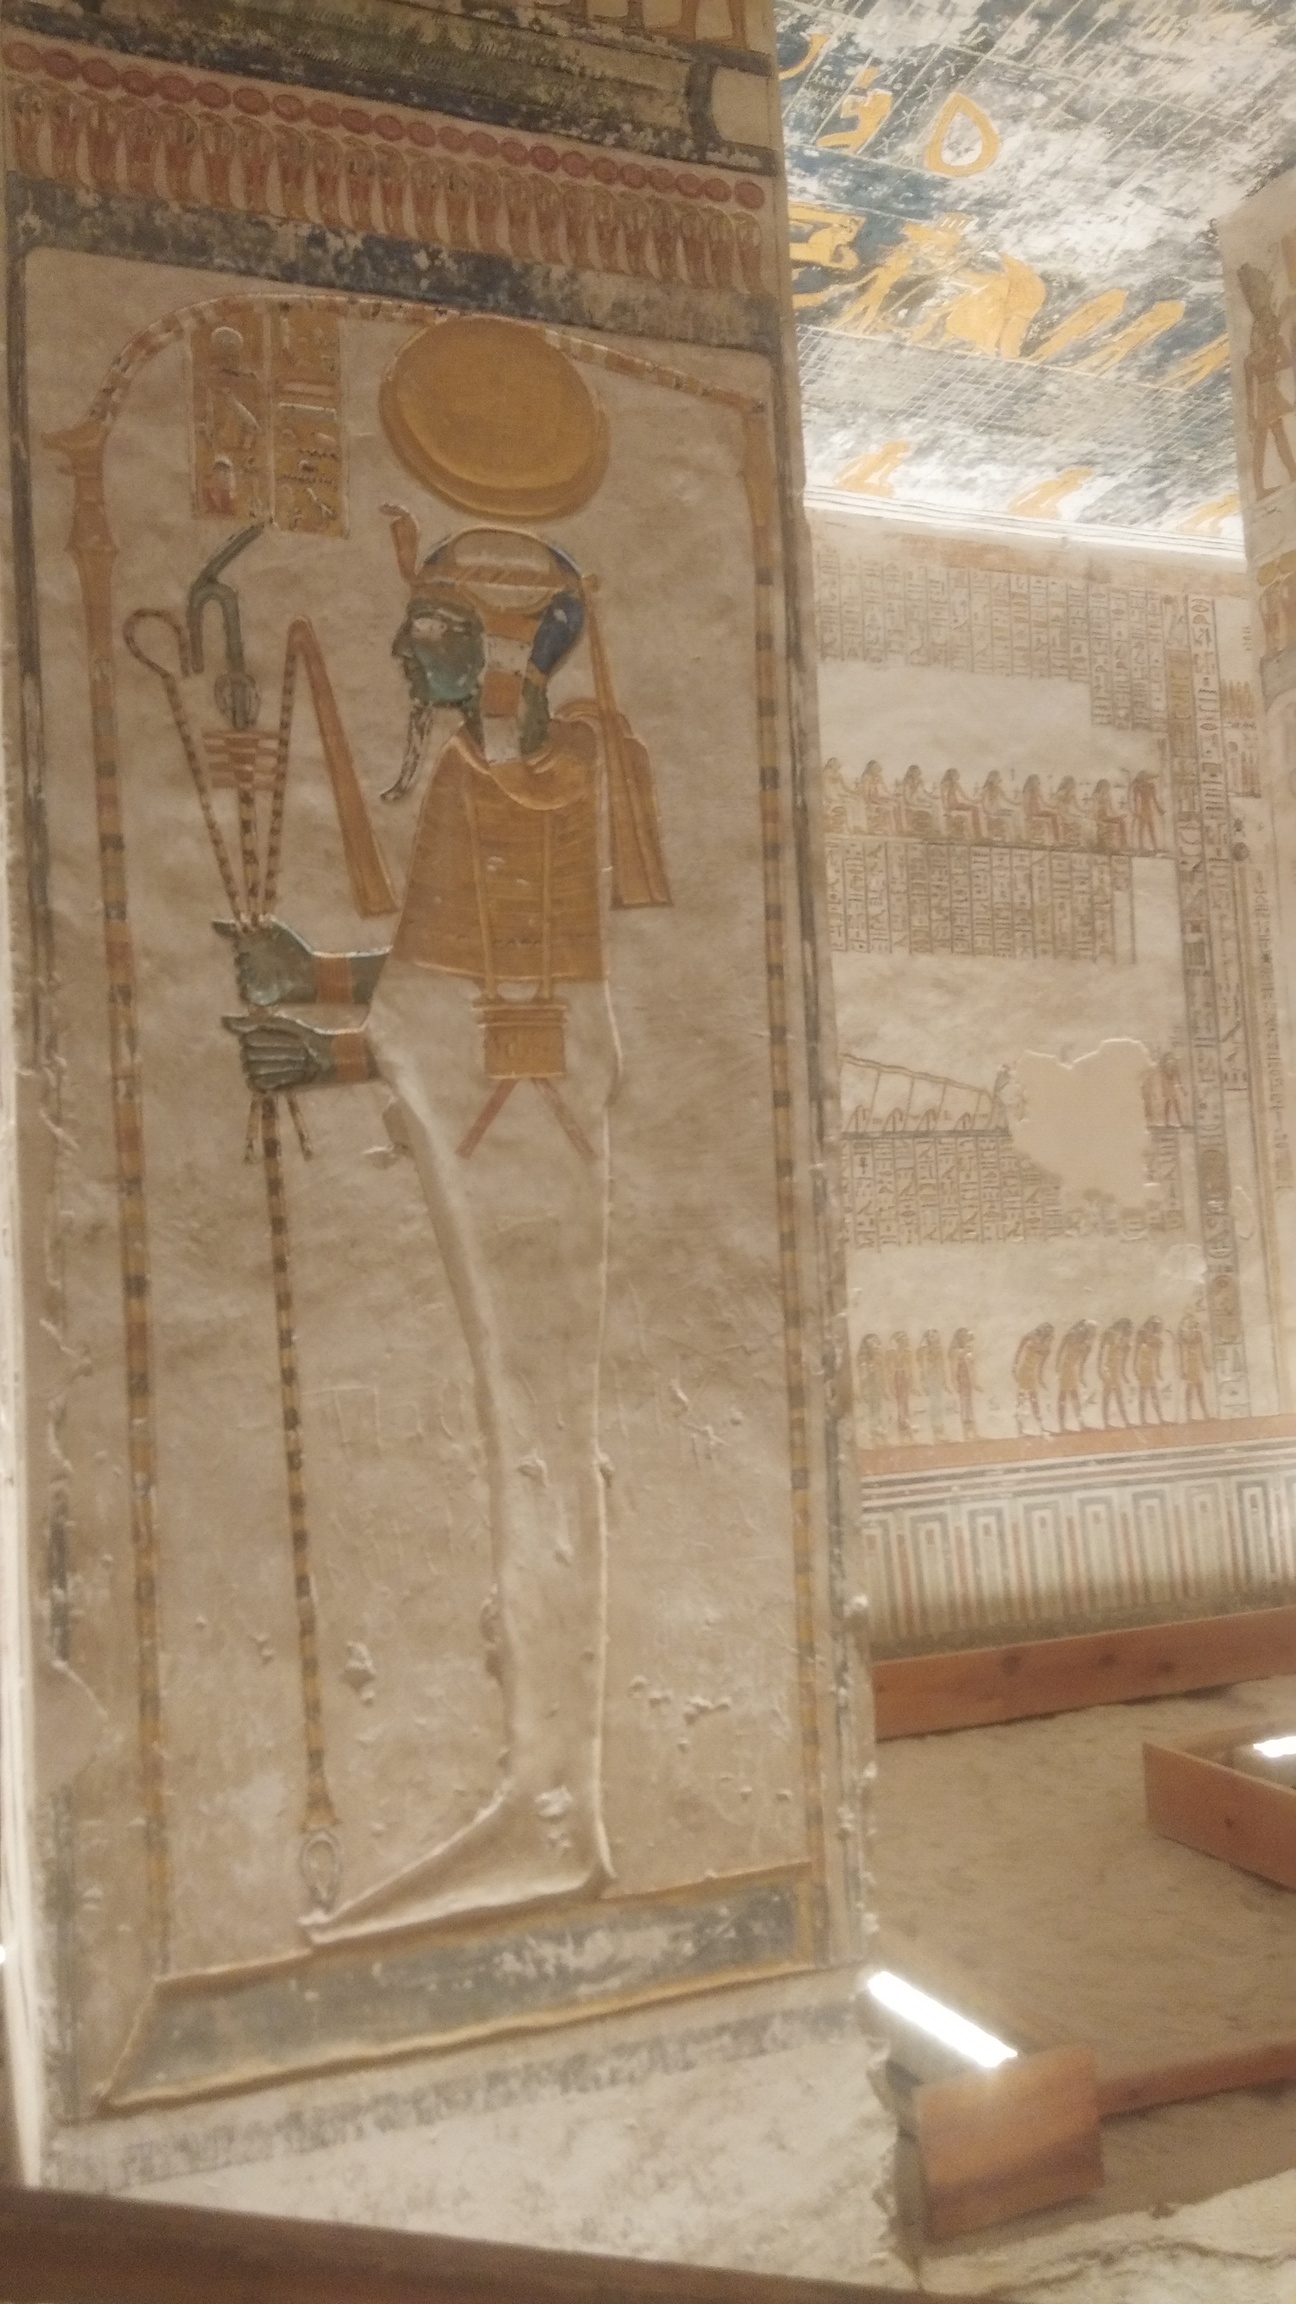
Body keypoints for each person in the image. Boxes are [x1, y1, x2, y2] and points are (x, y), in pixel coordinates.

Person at [223, 517, 671, 1943]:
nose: (400, 654)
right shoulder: (509, 776)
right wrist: (318, 976)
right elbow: (448, 968)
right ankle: (546, 1798)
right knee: (524, 1443)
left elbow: (530, 1011)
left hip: (524, 1137)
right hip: (510, 1125)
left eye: (427, 633)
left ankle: (553, 1807)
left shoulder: (543, 779)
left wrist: (333, 1048)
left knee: (539, 1444)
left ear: (499, 649)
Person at [1055, 1318, 1096, 1432]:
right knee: (1066, 1396)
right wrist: (1057, 1365)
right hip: (1065, 1367)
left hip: (1070, 1369)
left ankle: (1079, 1424)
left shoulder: (1086, 1344)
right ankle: (1065, 1425)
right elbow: (1060, 1350)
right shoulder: (1071, 1336)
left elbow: (1082, 1362)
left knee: (1072, 1396)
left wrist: (1081, 1376)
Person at [1013, 1322, 1053, 1434]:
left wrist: (1040, 1378)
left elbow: (1041, 1366)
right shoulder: (1030, 1338)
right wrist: (1014, 1366)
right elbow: (1018, 1352)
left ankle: (1037, 1426)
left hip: (1031, 1372)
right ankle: (1023, 1426)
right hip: (1025, 1370)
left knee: (1031, 1398)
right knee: (1025, 1397)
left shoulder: (1046, 1348)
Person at [1097, 1317, 1133, 1428]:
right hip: (1108, 1368)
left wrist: (1123, 1372)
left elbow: (1123, 1358)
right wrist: (1100, 1369)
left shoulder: (1122, 1338)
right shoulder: (1110, 1335)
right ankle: (1107, 1422)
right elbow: (1102, 1353)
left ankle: (1124, 1421)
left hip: (1115, 1369)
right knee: (1108, 1395)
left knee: (1117, 1395)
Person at [1177, 1309, 1210, 1422]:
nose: (1191, 1326)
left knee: (1200, 1389)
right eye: (1189, 1324)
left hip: (1196, 1364)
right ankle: (1189, 1416)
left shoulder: (1198, 1335)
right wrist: (1182, 1369)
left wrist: (1205, 1364)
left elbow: (1202, 1351)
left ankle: (1205, 1414)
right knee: (1190, 1390)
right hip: (1188, 1365)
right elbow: (1181, 1354)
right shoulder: (1182, 1336)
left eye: (1193, 1323)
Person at [916, 1329, 949, 1440]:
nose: (934, 1339)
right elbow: (923, 1368)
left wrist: (945, 1381)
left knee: (939, 1404)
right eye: (931, 1337)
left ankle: (941, 1429)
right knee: (934, 1404)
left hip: (938, 1378)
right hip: (930, 1378)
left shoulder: (939, 1350)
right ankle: (936, 1430)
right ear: (928, 1339)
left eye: (936, 1336)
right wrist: (924, 1382)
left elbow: (942, 1366)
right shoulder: (924, 1351)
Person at [1134, 1315, 1166, 1424]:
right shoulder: (1141, 1335)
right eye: (1154, 1325)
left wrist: (1158, 1370)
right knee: (1144, 1393)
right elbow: (1136, 1354)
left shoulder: (1156, 1339)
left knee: (1153, 1393)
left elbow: (1157, 1357)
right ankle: (1143, 1419)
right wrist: (1135, 1369)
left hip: (1150, 1368)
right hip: (1143, 1367)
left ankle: (1159, 1418)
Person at [949, 1327, 976, 1439]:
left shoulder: (967, 1350)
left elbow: (971, 1365)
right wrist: (954, 1380)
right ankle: (966, 1432)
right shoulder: (956, 1351)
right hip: (961, 1377)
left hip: (967, 1377)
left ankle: (972, 1431)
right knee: (964, 1402)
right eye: (963, 1337)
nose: (965, 1339)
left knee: (968, 1402)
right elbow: (954, 1366)